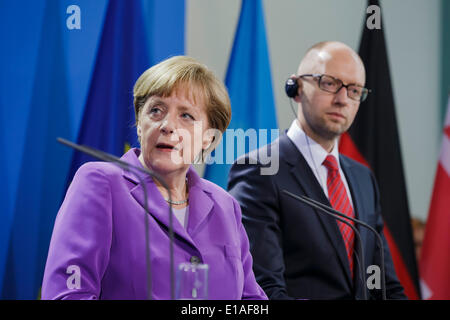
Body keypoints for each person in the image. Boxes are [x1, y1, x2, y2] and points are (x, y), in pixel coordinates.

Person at [41, 56, 267, 300]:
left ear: (209, 139)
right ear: (140, 124)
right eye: (156, 111)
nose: (167, 125)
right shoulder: (101, 183)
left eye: (186, 116)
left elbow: (251, 300)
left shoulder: (225, 206)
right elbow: (68, 294)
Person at [228, 41, 406, 299]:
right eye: (329, 83)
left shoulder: (363, 178)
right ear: (296, 88)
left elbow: (387, 287)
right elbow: (264, 291)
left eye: (354, 90)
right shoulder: (260, 170)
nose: (342, 99)